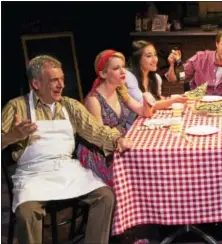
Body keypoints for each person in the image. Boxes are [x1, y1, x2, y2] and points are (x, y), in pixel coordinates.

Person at [1, 55, 133, 244]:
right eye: (54, 80)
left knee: (105, 197)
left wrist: (117, 139)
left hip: (67, 169)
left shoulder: (69, 105)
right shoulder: (17, 107)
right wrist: (12, 136)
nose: (61, 85)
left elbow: (94, 130)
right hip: (33, 174)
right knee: (26, 212)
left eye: (62, 79)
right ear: (36, 84)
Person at [77, 49, 153, 187]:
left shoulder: (119, 91)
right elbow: (100, 138)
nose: (123, 71)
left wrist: (146, 100)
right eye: (116, 68)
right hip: (100, 152)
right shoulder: (94, 100)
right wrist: (120, 142)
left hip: (118, 145)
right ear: (103, 73)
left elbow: (143, 112)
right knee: (135, 175)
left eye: (123, 67)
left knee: (149, 165)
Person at [165, 28, 222, 95]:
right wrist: (172, 65)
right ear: (217, 44)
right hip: (199, 103)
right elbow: (176, 78)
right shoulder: (200, 58)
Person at [126, 40, 187, 110]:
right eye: (149, 56)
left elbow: (157, 99)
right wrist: (173, 100)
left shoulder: (156, 78)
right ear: (137, 59)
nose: (155, 60)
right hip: (133, 120)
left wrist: (178, 97)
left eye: (155, 55)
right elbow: (146, 104)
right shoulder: (129, 77)